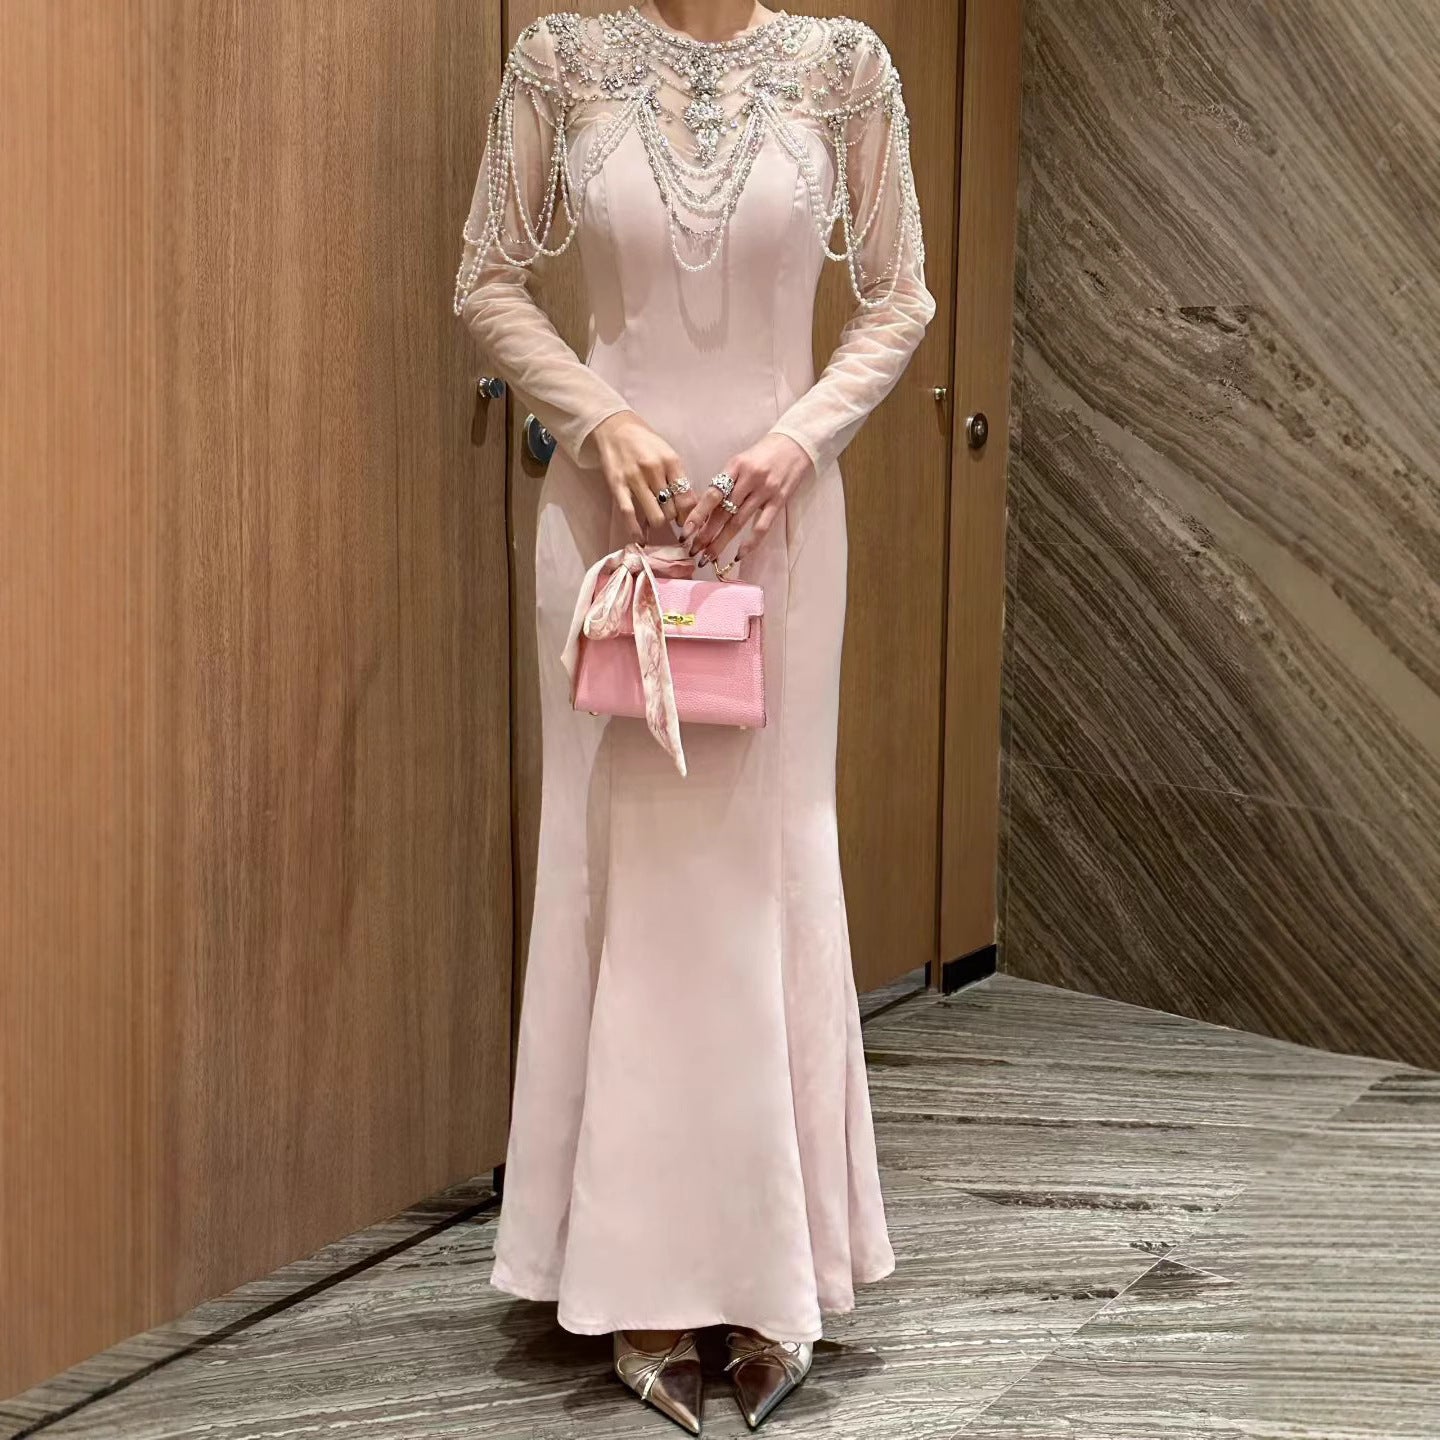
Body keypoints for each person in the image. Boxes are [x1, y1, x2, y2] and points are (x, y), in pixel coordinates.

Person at [453, 2, 934, 1431]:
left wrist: (796, 442)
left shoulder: (843, 66)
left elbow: (900, 297)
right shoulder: (560, 58)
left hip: (780, 525)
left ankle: (774, 1268)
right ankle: (631, 1270)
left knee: (771, 859)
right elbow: (487, 280)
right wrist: (596, 416)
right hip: (610, 525)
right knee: (621, 872)